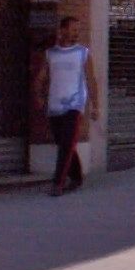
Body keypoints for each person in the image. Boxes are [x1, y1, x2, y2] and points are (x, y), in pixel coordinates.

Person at [35, 16, 97, 196]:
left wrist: (95, 105)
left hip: (74, 103)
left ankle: (58, 183)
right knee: (63, 142)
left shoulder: (83, 53)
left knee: (66, 143)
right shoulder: (51, 54)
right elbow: (41, 77)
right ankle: (76, 176)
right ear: (62, 30)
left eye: (78, 29)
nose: (76, 33)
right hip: (55, 104)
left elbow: (91, 80)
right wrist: (38, 95)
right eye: (73, 29)